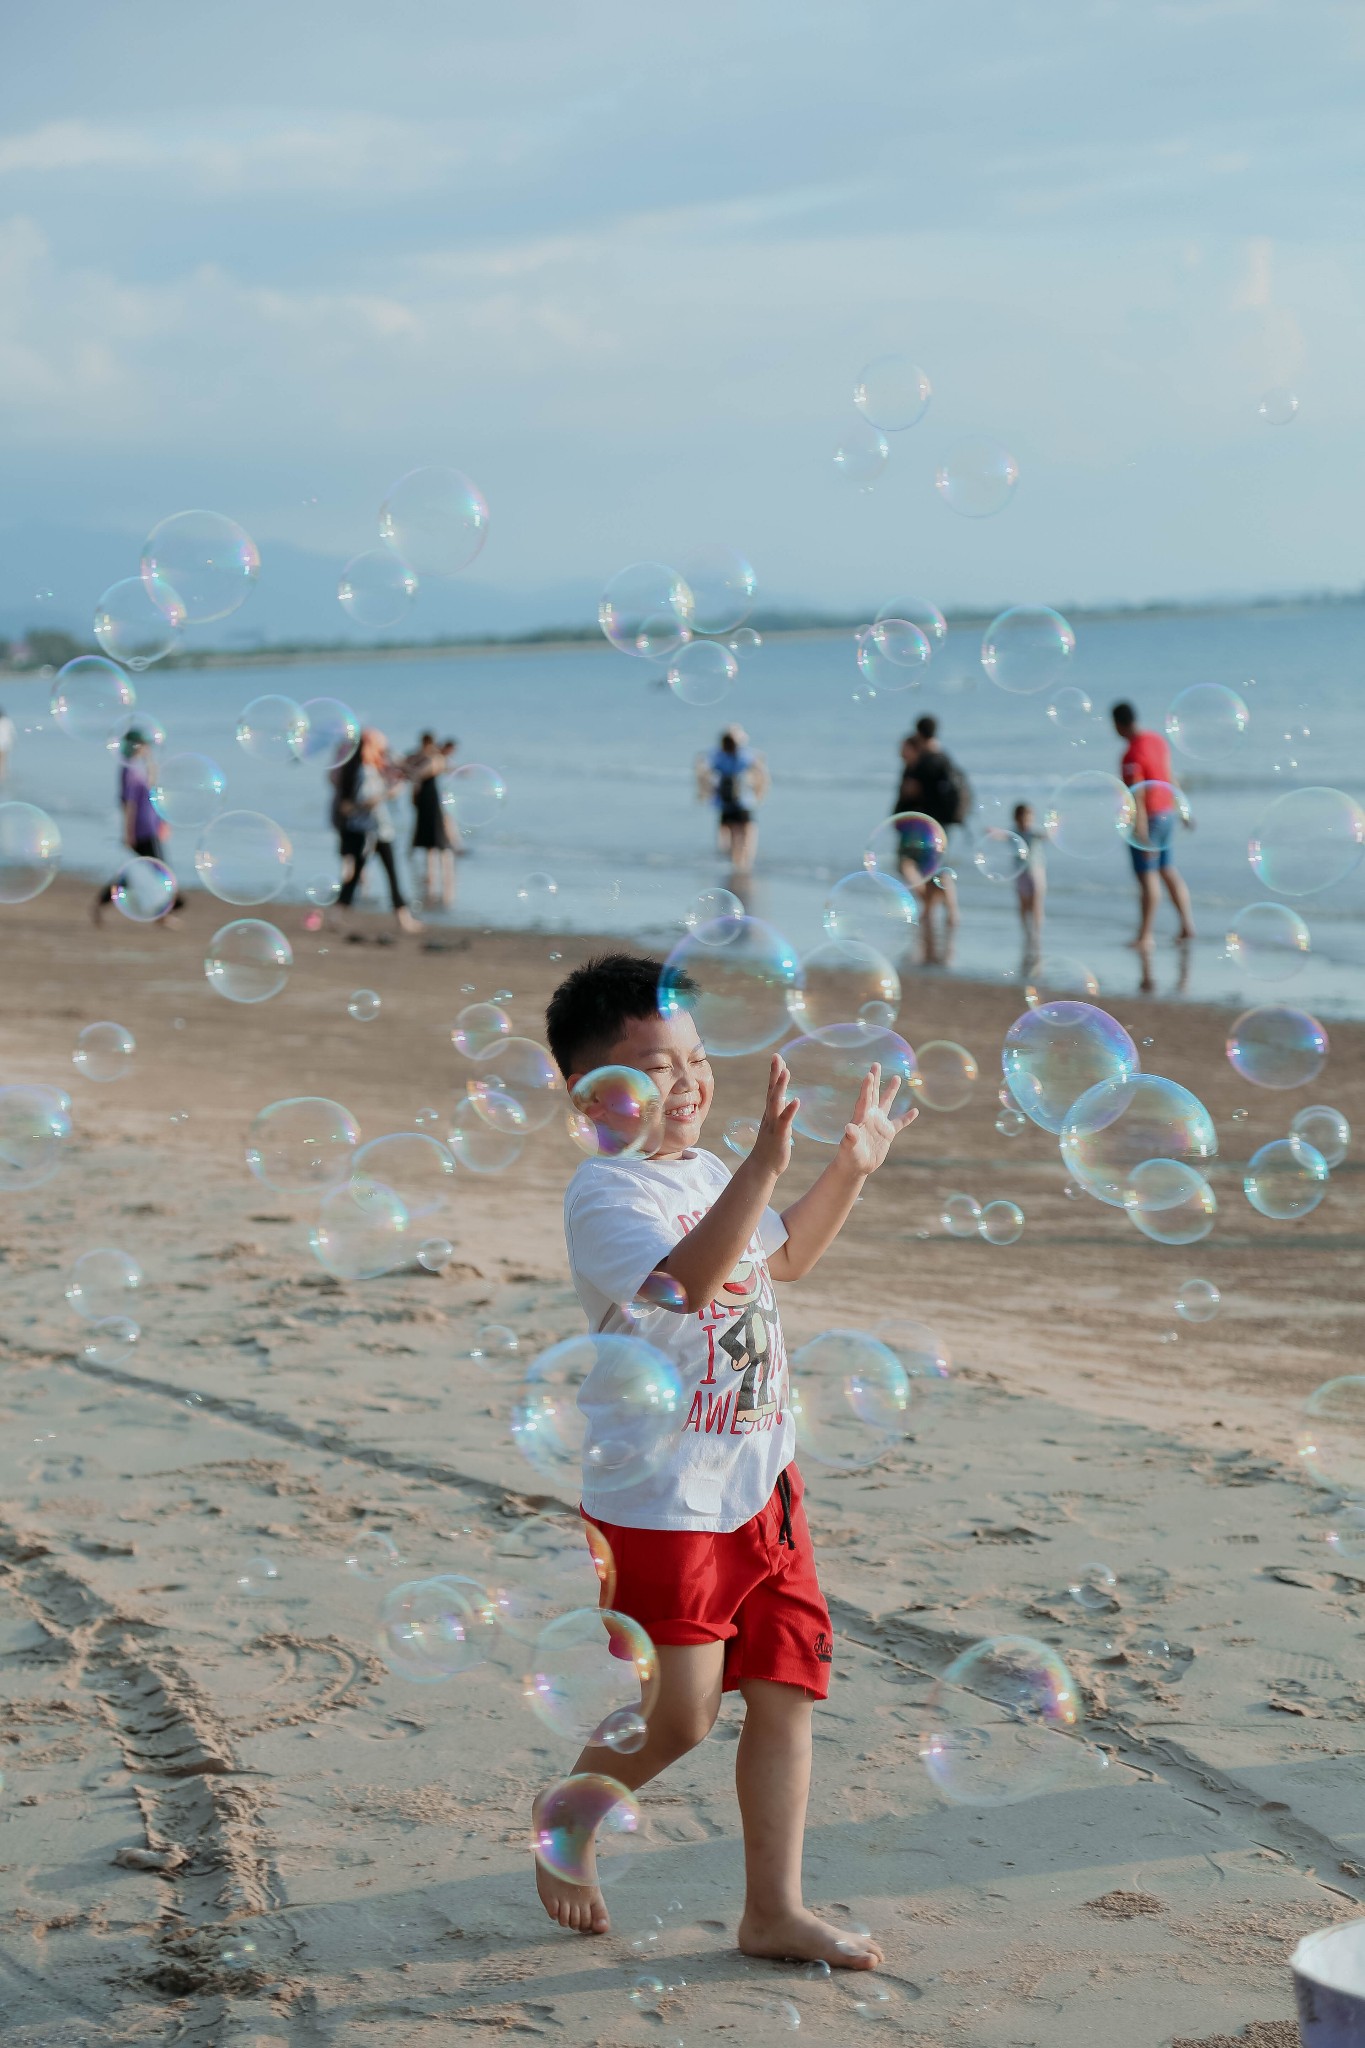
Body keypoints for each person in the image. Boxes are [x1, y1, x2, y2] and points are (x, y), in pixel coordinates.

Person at [538, 953, 916, 1959]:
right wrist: (759, 1165)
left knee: (789, 1687)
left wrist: (851, 1166)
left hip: (762, 1482)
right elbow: (690, 1284)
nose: (691, 1082)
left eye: (696, 1058)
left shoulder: (707, 1169)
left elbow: (779, 1255)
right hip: (663, 1501)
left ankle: (772, 1909)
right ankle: (571, 1811)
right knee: (686, 1714)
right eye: (657, 1069)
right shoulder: (604, 1194)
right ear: (593, 1095)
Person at [1111, 701, 1195, 955]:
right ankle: (1187, 926)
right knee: (1167, 870)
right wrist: (1183, 809)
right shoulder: (1157, 740)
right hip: (1167, 813)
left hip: (1149, 819)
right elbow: (1169, 776)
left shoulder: (1131, 755)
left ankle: (1145, 937)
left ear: (1117, 724)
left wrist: (1141, 832)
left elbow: (1137, 796)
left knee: (1147, 879)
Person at [331, 728, 421, 933]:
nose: (383, 750)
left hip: (378, 829)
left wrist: (395, 781)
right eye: (380, 746)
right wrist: (389, 793)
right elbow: (365, 801)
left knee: (387, 872)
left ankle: (402, 918)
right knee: (365, 874)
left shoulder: (369, 768)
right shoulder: (364, 770)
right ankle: (337, 915)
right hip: (368, 831)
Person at [896, 715, 970, 963]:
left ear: (918, 733)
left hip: (924, 824)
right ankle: (948, 912)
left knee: (915, 866)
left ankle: (931, 909)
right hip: (943, 824)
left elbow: (910, 791)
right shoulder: (945, 758)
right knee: (937, 868)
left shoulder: (923, 761)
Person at [92, 729, 184, 924]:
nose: (147, 748)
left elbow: (151, 796)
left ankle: (101, 903)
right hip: (140, 830)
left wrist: (161, 822)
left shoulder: (139, 768)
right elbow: (129, 804)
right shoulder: (128, 769)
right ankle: (163, 915)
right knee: (158, 871)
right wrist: (128, 833)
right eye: (144, 744)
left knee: (140, 873)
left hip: (150, 827)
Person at [696, 727, 768, 873]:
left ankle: (735, 861)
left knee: (730, 831)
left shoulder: (718, 756)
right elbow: (761, 772)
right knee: (746, 831)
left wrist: (704, 792)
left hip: (724, 801)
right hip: (743, 801)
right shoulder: (744, 755)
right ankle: (744, 863)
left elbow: (703, 768)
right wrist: (760, 793)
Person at [406, 730, 456, 910]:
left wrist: (412, 772)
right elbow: (410, 765)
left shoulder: (435, 758)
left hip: (431, 799)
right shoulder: (421, 756)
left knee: (437, 837)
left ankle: (442, 876)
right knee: (427, 838)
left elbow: (424, 772)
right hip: (424, 799)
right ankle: (431, 876)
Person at [1013, 801, 1046, 958]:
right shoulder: (1014, 833)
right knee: (1023, 904)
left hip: (1036, 872)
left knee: (1036, 903)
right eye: (1024, 817)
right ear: (1017, 818)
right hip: (1021, 874)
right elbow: (1002, 835)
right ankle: (1026, 931)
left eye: (1029, 816)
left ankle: (1036, 932)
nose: (1027, 820)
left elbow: (1045, 835)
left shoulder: (1034, 832)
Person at [0, 705, 14, 787]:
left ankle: (2, 780)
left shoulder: (5, 721)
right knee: (3, 764)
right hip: (4, 746)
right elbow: (11, 734)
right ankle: (3, 779)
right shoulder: (7, 721)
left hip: (3, 745)